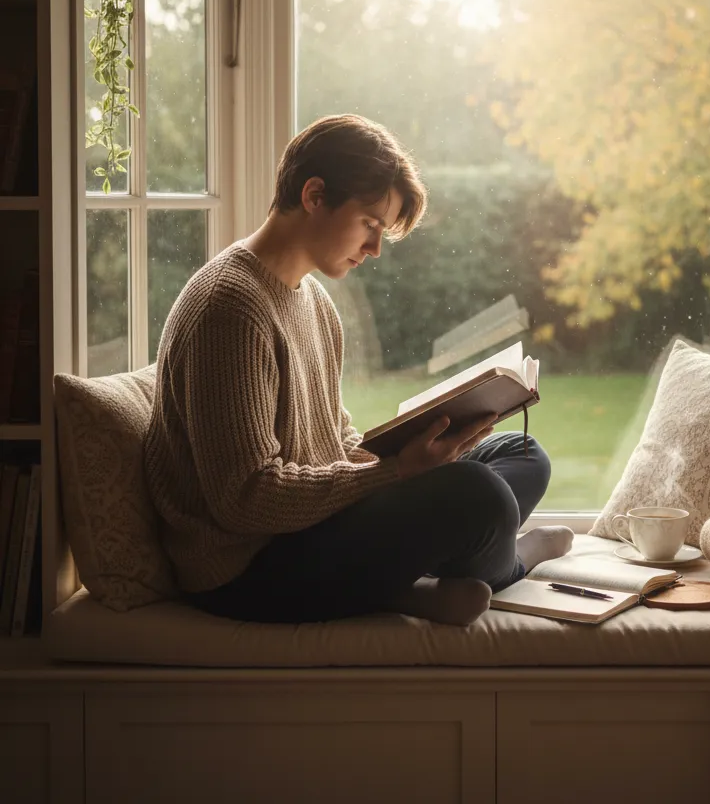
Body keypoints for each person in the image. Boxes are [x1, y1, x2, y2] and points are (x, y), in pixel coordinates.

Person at [143, 114, 574, 627]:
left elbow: (331, 438)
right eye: (370, 224)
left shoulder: (312, 299)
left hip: (312, 527)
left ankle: (404, 586)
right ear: (315, 195)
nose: (373, 249)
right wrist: (395, 472)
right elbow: (245, 501)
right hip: (248, 569)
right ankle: (516, 557)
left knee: (521, 454)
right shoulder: (230, 309)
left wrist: (420, 445)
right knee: (481, 497)